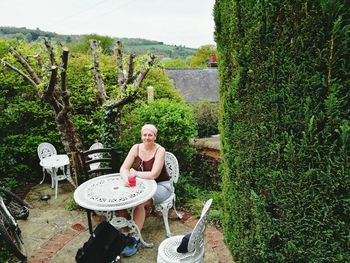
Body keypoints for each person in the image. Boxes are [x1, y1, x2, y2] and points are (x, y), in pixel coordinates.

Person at [119, 124, 171, 256]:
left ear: (155, 136)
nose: (147, 137)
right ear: (141, 135)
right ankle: (125, 233)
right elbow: (124, 168)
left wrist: (135, 173)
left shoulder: (160, 150)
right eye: (145, 135)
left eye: (150, 135)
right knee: (123, 198)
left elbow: (154, 174)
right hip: (143, 185)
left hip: (161, 186)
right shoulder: (135, 148)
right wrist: (126, 179)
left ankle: (135, 239)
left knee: (140, 202)